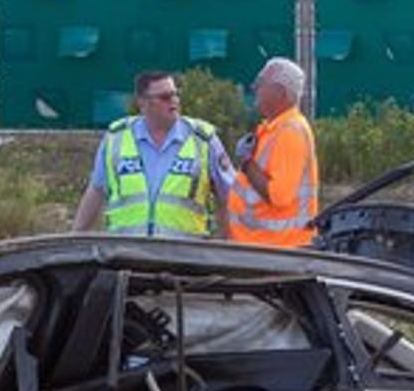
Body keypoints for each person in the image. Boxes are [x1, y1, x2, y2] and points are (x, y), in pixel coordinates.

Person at [72, 70, 236, 238]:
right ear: (142, 103)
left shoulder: (202, 139)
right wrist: (74, 237)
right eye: (165, 97)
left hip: (184, 254)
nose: (174, 101)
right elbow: (96, 191)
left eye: (175, 95)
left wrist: (228, 246)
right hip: (127, 252)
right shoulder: (116, 138)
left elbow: (230, 196)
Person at [224, 57, 319, 248]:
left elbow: (279, 196)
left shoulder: (290, 132)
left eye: (260, 83)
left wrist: (247, 163)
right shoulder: (275, 129)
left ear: (280, 92)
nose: (254, 88)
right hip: (264, 247)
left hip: (278, 250)